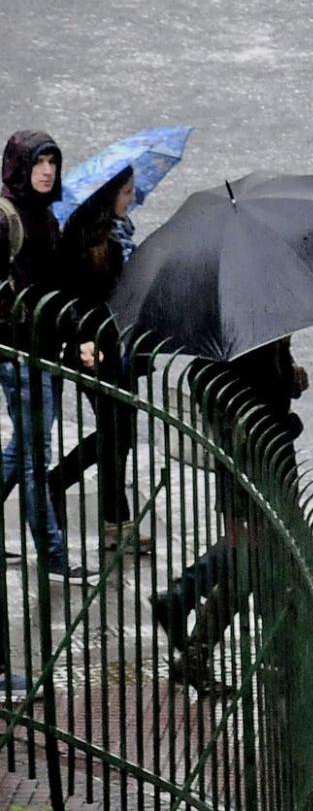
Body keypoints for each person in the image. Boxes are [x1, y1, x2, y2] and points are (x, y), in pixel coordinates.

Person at [150, 337, 308, 695]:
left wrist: (291, 379)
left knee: (251, 566)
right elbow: (251, 400)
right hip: (256, 468)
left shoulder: (253, 332)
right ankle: (183, 596)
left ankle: (193, 653)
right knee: (255, 558)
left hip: (254, 466)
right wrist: (283, 392)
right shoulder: (246, 339)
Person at [0, 130, 96, 584]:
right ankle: (54, 555)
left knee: (23, 449)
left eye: (53, 163)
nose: (47, 171)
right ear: (20, 166)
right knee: (36, 454)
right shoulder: (5, 217)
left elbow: (55, 290)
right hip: (19, 356)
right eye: (39, 162)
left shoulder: (46, 216)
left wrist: (77, 335)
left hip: (43, 350)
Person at [49, 166, 145, 552]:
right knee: (115, 431)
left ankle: (111, 519)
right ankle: (107, 518)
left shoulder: (120, 235)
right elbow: (70, 299)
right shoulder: (81, 241)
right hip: (92, 349)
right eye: (125, 192)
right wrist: (84, 342)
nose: (132, 199)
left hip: (117, 345)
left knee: (120, 433)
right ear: (106, 197)